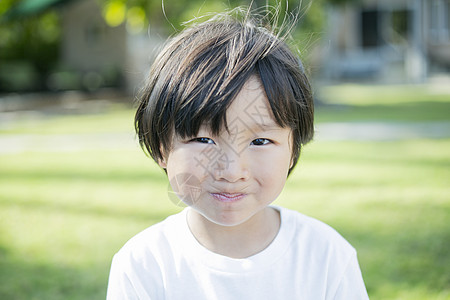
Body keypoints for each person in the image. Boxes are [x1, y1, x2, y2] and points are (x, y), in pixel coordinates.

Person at [107, 8, 369, 300]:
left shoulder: (326, 256)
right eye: (204, 139)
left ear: (293, 150)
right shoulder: (144, 264)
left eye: (259, 141)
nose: (231, 171)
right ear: (161, 150)